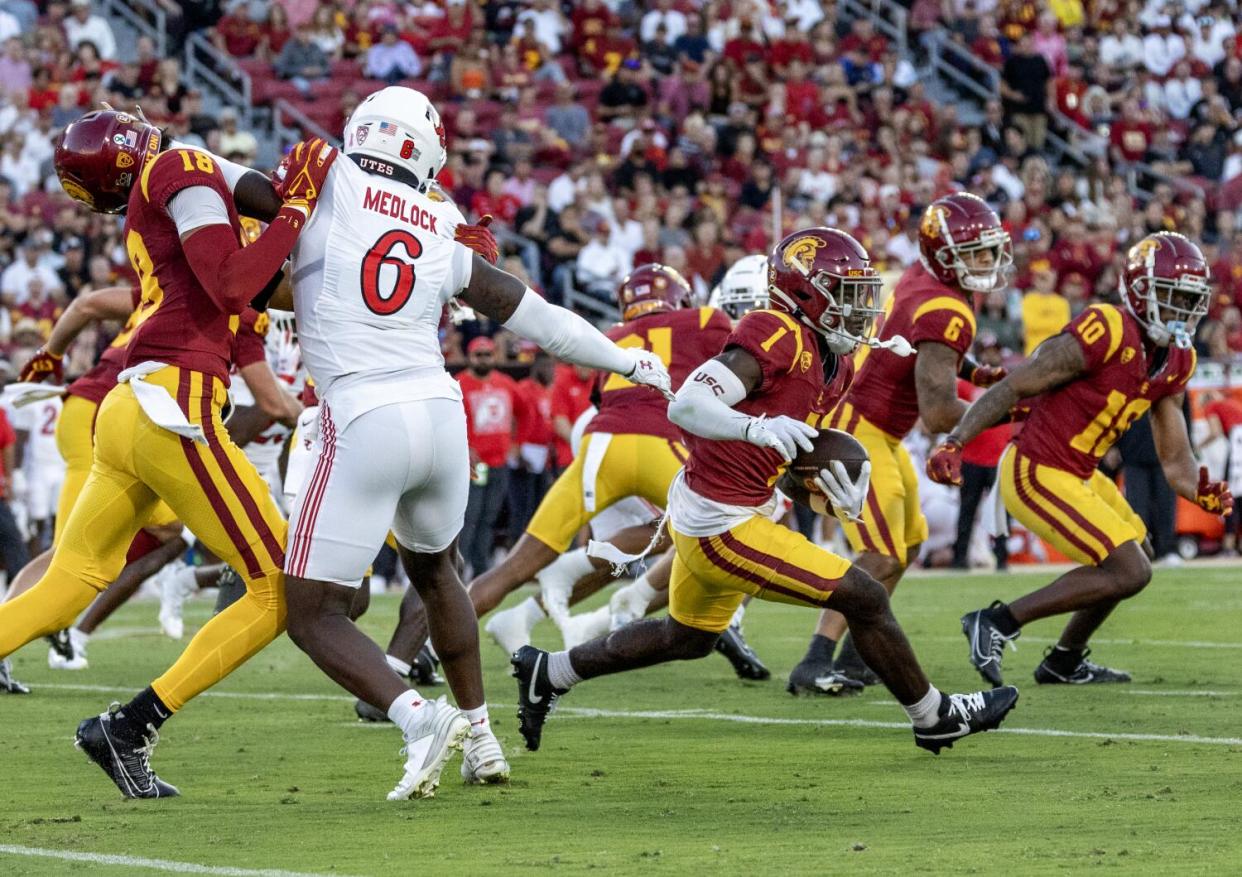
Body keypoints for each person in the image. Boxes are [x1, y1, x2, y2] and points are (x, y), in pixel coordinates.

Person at [275, 86, 673, 798]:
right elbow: (541, 318)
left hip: (362, 410)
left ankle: (416, 716)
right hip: (439, 412)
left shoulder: (327, 175)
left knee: (310, 611)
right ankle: (482, 732)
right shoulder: (439, 215)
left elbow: (227, 186)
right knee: (439, 573)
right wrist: (626, 359)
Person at [511, 228, 1019, 754]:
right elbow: (686, 404)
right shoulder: (775, 332)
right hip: (722, 520)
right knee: (864, 595)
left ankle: (549, 671)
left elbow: (783, 452)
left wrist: (817, 491)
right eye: (846, 293)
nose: (861, 308)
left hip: (724, 505)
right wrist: (755, 428)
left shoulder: (838, 362)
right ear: (805, 291)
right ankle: (935, 715)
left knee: (686, 638)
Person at [0, 108, 331, 798]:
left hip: (131, 407)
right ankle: (130, 726)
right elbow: (236, 283)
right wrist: (295, 207)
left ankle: (124, 730)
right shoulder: (178, 167)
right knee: (279, 588)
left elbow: (261, 285)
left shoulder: (160, 190)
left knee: (65, 583)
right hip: (171, 403)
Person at [928, 232, 1231, 685]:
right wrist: (956, 439)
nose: (1180, 312)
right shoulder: (1107, 327)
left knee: (1136, 554)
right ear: (1140, 291)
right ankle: (996, 622)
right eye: (1172, 299)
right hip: (1037, 467)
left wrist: (1199, 488)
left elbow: (1174, 458)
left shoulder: (1177, 359)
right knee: (1129, 569)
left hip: (1080, 473)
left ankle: (1063, 661)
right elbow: (1016, 385)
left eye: (1190, 300)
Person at [787, 194, 1010, 694]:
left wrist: (972, 370)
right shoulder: (945, 306)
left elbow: (917, 347)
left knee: (907, 542)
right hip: (859, 427)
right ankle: (815, 658)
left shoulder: (924, 278)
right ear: (945, 254)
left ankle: (855, 657)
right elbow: (937, 413)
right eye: (975, 252)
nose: (987, 263)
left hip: (879, 430)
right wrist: (1013, 406)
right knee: (881, 553)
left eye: (989, 251)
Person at [457, 335, 519, 577]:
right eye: (478, 354)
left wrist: (517, 442)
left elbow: (525, 413)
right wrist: (463, 447)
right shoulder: (460, 383)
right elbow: (448, 420)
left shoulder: (505, 383)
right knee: (470, 515)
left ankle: (481, 568)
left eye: (487, 354)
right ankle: (459, 568)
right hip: (476, 465)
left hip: (499, 463)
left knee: (489, 517)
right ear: (470, 357)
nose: (483, 359)